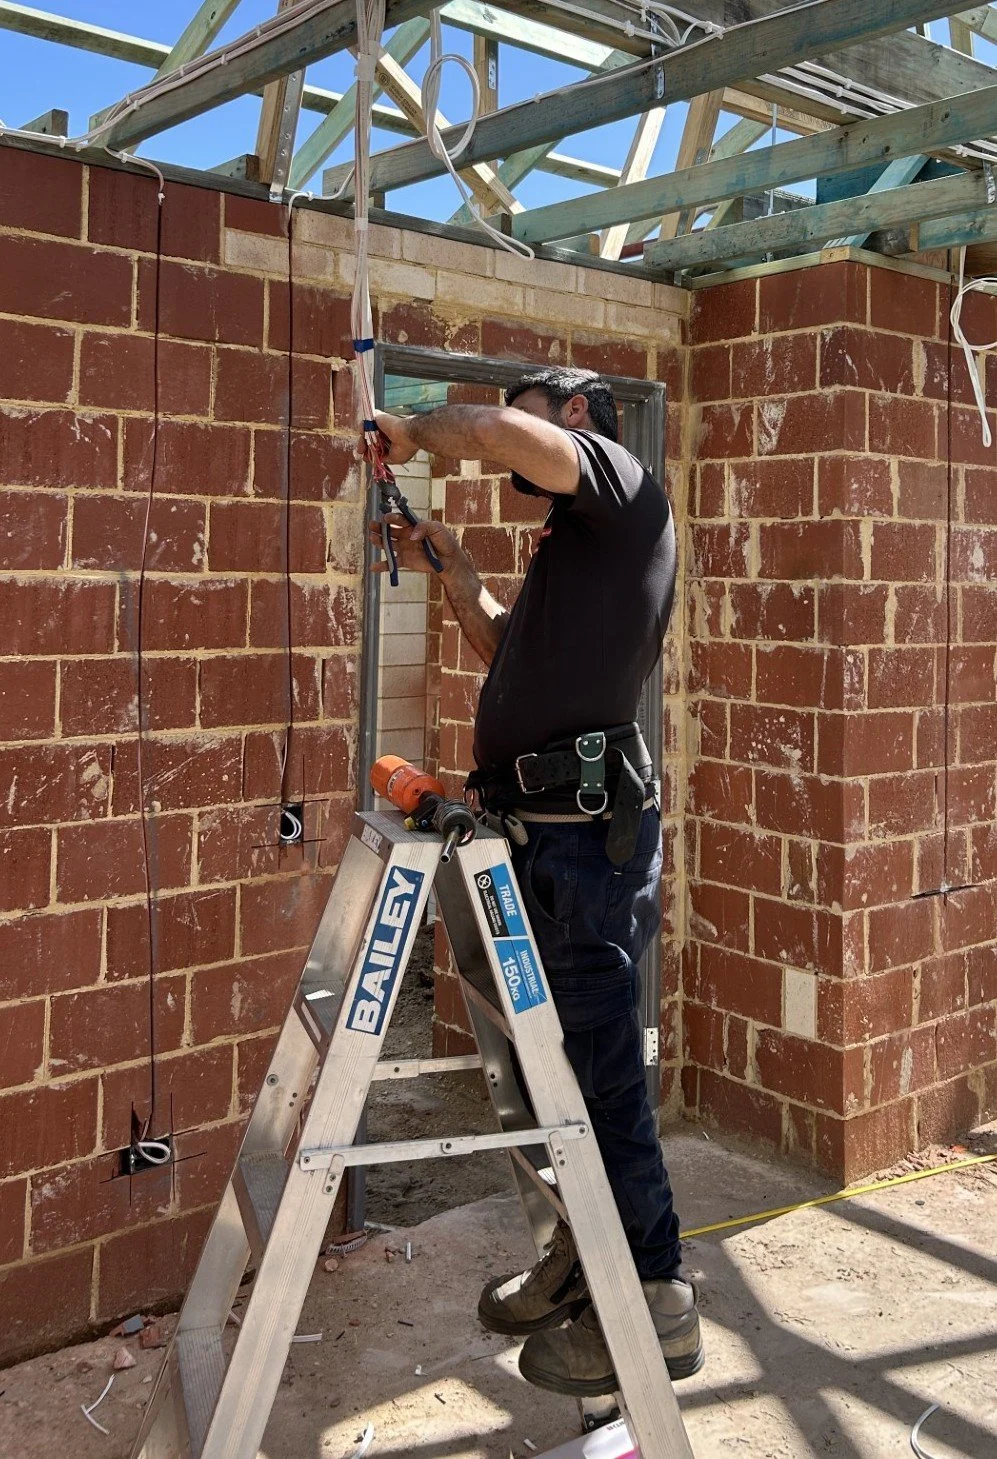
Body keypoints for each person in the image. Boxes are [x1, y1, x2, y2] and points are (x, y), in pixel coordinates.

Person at [370, 366, 703, 1397]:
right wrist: (453, 561)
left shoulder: (624, 486)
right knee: (536, 1079)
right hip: (534, 839)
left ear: (574, 417)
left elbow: (498, 435)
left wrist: (414, 429)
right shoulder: (577, 549)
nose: (516, 430)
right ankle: (575, 1254)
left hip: (584, 852)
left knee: (599, 1079)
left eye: (531, 410)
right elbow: (499, 644)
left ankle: (653, 1298)